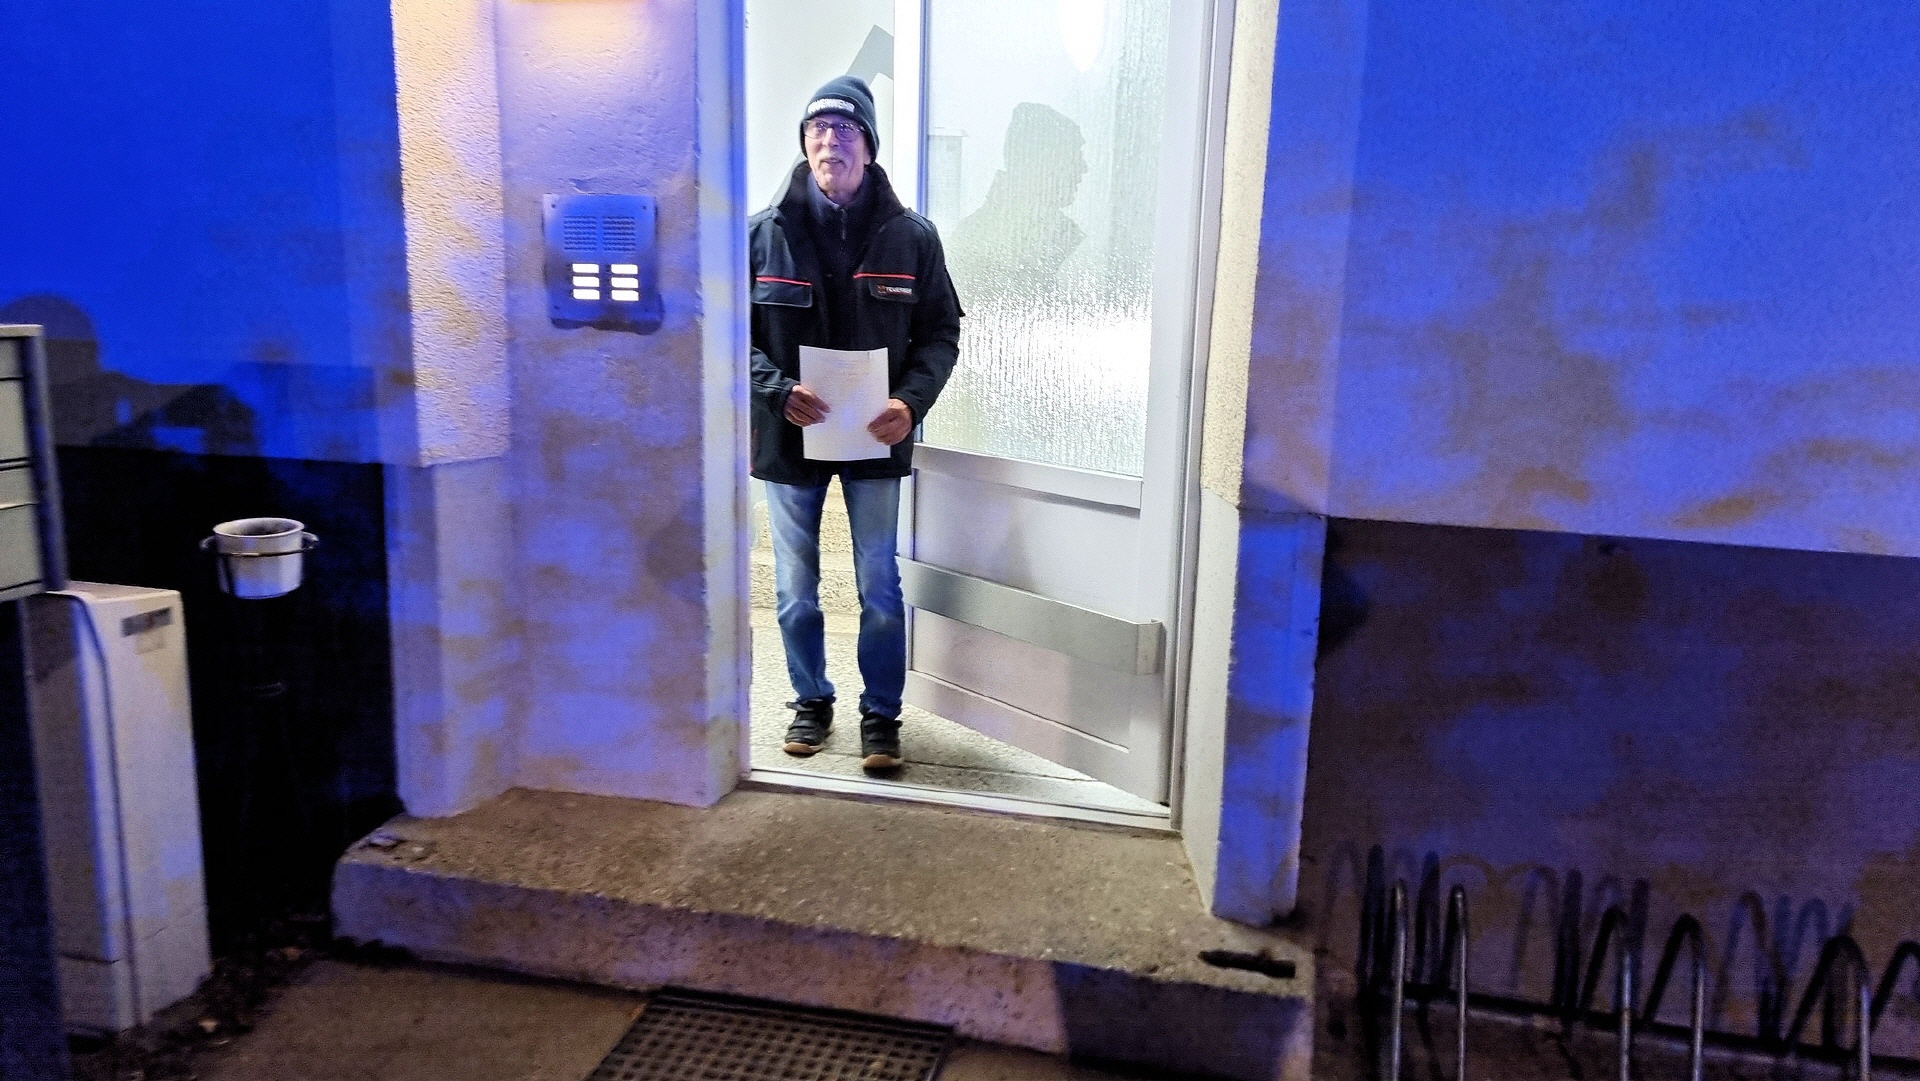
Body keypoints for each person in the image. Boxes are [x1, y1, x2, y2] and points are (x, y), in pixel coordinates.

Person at [748, 76, 963, 771]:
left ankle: (881, 715)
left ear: (868, 147)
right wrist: (775, 390)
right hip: (788, 437)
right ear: (803, 144)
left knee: (879, 584)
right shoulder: (761, 235)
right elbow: (725, 335)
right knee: (794, 590)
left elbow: (941, 334)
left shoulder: (912, 238)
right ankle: (810, 701)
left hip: (876, 437)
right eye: (817, 129)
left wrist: (911, 403)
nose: (829, 141)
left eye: (844, 130)